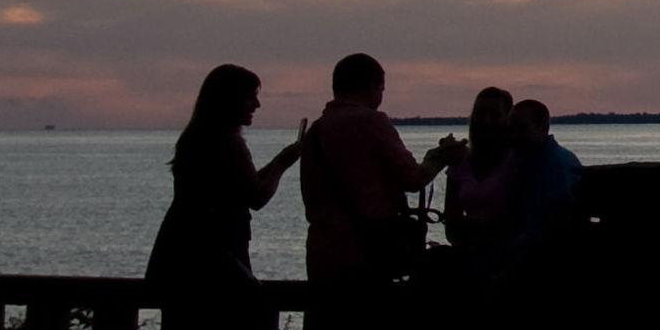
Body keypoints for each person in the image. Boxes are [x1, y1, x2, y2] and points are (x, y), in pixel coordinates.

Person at [144, 63, 305, 289]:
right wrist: (282, 164)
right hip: (216, 255)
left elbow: (240, 187)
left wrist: (279, 159)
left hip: (182, 252)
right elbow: (256, 197)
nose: (257, 105)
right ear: (230, 100)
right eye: (251, 98)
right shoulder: (228, 143)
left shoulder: (196, 139)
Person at [297, 52, 453, 287]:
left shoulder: (315, 133)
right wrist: (440, 159)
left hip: (322, 253)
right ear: (373, 86)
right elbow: (412, 179)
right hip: (366, 252)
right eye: (381, 90)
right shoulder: (371, 122)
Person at [432, 86, 529, 279]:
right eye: (480, 114)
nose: (486, 121)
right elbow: (451, 221)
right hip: (468, 249)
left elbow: (517, 220)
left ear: (507, 120)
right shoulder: (461, 162)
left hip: (508, 255)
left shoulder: (517, 162)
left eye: (495, 115)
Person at [509, 98, 584, 260]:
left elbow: (558, 226)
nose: (514, 136)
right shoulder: (529, 159)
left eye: (522, 129)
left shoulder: (558, 166)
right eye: (511, 130)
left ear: (543, 128)